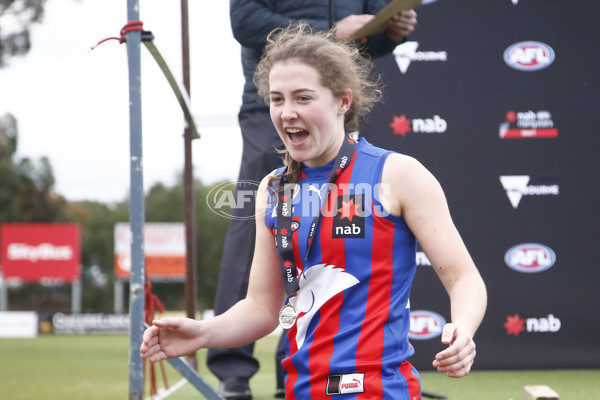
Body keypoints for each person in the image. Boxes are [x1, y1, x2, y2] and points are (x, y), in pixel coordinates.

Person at [141, 23, 487, 400]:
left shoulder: (398, 174)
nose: (287, 112)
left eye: (303, 98)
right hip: (299, 391)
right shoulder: (273, 189)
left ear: (343, 101)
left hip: (378, 391)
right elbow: (261, 306)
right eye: (277, 99)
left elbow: (463, 278)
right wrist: (203, 333)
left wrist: (463, 329)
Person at [211, 2, 418, 398]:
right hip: (264, 109)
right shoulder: (279, 107)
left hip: (327, 105)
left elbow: (366, 34)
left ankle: (293, 367)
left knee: (332, 241)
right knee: (257, 226)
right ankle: (232, 368)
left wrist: (391, 33)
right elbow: (245, 20)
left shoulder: (399, 170)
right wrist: (329, 28)